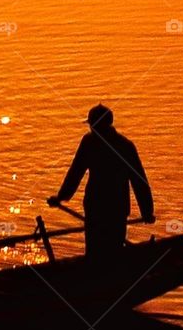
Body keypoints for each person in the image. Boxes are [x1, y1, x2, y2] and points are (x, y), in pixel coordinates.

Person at [48, 104, 154, 262]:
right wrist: (147, 211)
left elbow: (76, 172)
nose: (90, 127)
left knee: (99, 252)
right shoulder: (122, 145)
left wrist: (61, 197)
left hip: (104, 207)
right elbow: (139, 181)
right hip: (107, 207)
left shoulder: (95, 143)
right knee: (107, 251)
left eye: (92, 124)